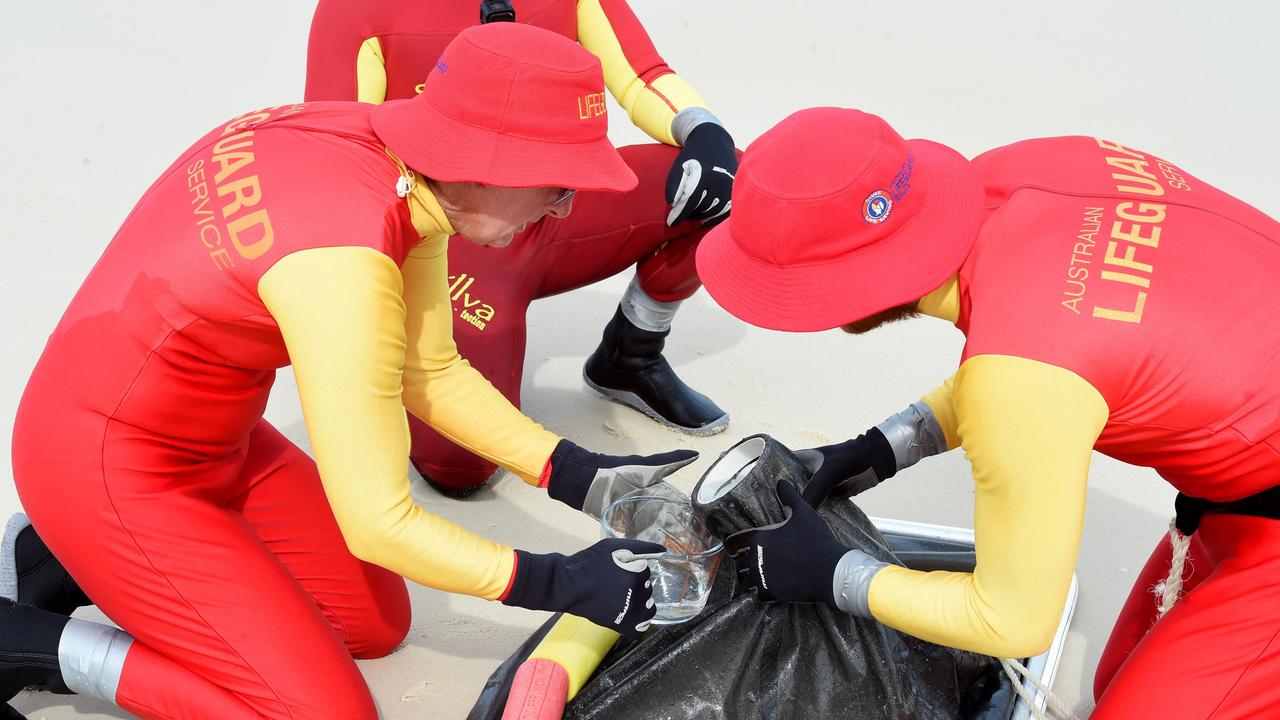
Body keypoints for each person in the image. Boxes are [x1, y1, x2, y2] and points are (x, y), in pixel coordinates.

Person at [1, 24, 698, 720]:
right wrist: (559, 580)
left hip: (218, 447)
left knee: (373, 622)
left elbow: (427, 368)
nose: (566, 207)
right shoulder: (344, 261)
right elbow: (378, 523)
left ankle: (58, 557)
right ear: (489, 163)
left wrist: (577, 472)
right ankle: (36, 641)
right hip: (102, 467)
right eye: (559, 185)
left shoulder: (400, 161)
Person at [695, 107, 1280, 719]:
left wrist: (837, 574)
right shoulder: (1023, 170)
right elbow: (1067, 344)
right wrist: (883, 446)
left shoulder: (1021, 383)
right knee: (1119, 678)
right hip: (1240, 481)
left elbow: (1012, 622)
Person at [304, 0, 739, 496]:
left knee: (727, 184)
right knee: (461, 466)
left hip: (557, 203)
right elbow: (343, 153)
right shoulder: (356, 10)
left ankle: (630, 355)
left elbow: (642, 74)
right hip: (456, 234)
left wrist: (704, 130)